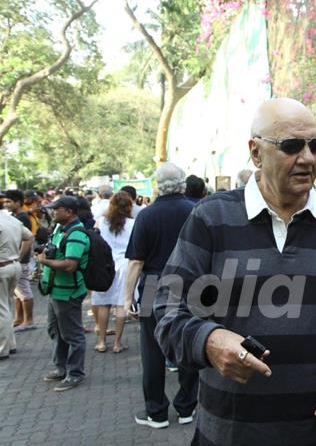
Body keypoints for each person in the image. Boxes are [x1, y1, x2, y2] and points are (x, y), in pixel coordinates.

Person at [155, 98, 316, 445]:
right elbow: (165, 309)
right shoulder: (211, 218)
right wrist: (209, 341)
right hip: (229, 432)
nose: (308, 158)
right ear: (256, 153)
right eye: (292, 146)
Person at [123, 163, 199, 429]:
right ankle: (187, 407)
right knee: (188, 343)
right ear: (182, 184)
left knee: (152, 350)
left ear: (157, 185)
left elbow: (136, 262)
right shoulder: (195, 211)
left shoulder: (146, 215)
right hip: (191, 284)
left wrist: (126, 297)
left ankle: (156, 412)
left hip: (153, 284)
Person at [37, 196, 91, 391]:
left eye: (56, 209)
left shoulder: (77, 234)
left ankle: (75, 373)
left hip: (68, 293)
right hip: (56, 291)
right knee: (56, 331)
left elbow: (70, 265)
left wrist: (44, 262)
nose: (52, 212)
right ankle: (61, 368)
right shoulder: (61, 229)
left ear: (68, 211)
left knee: (73, 334)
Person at [92, 192, 134, 354]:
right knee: (121, 304)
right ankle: (117, 342)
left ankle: (101, 341)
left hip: (105, 265)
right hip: (125, 265)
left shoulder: (101, 222)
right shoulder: (133, 224)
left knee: (103, 304)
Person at [0, 199, 33, 360]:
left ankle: (3, 349)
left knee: (2, 309)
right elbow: (28, 237)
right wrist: (18, 257)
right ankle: (10, 344)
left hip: (3, 266)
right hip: (13, 265)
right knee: (6, 305)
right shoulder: (11, 219)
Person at [3, 190, 35, 331]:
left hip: (20, 260)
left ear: (18, 202)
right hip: (16, 261)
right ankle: (18, 318)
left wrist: (19, 257)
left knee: (24, 291)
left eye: (9, 201)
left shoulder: (23, 218)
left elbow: (28, 239)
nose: (6, 204)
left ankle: (28, 320)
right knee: (17, 293)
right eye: (5, 202)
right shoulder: (14, 216)